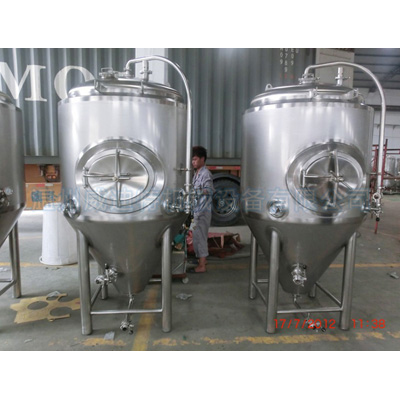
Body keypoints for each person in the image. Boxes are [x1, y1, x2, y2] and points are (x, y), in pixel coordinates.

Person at [188, 146, 214, 273]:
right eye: (192, 160)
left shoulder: (205, 173)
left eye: (195, 159)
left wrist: (195, 192)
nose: (193, 162)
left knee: (201, 237)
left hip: (203, 211)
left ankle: (202, 266)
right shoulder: (196, 173)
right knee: (196, 236)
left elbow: (209, 190)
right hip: (196, 211)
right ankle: (201, 259)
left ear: (202, 159)